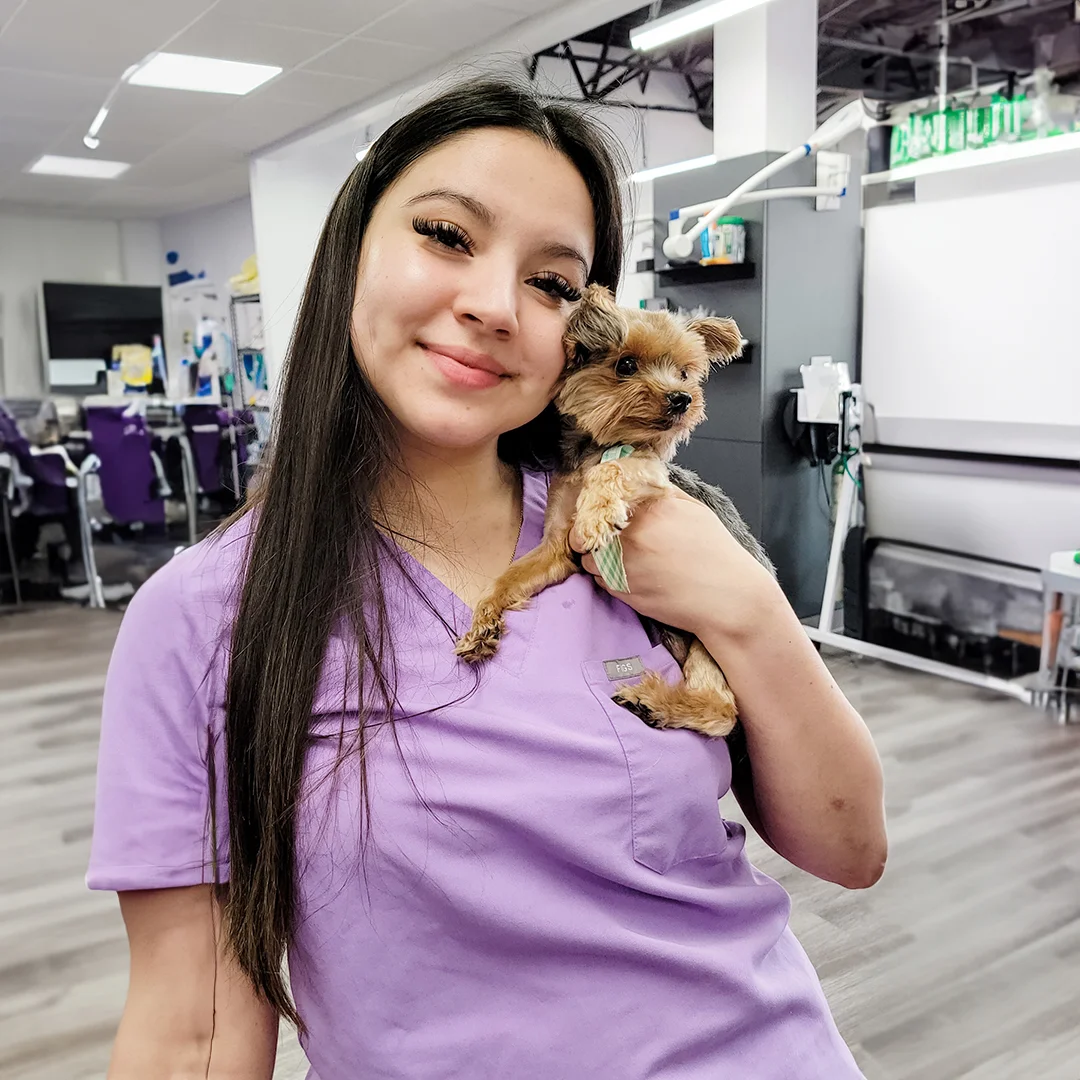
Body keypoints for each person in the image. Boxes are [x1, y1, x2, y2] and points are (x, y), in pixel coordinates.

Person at [88, 76, 886, 1080]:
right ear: (350, 252)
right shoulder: (207, 618)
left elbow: (851, 852)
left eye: (553, 283)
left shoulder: (649, 537)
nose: (494, 306)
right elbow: (190, 1032)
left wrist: (750, 607)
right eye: (447, 236)